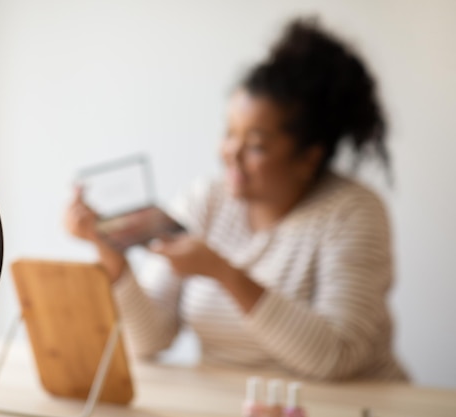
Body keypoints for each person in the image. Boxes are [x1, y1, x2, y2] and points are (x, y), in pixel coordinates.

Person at [65, 17, 407, 381]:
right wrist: (110, 252)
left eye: (256, 145)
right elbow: (148, 340)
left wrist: (224, 273)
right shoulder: (207, 200)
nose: (231, 152)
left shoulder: (352, 212)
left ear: (309, 157)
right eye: (229, 133)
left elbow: (337, 357)